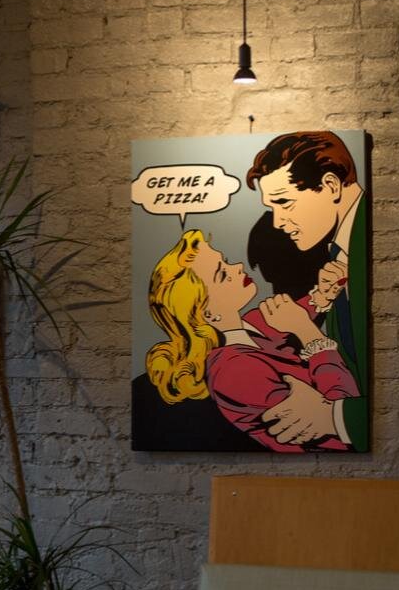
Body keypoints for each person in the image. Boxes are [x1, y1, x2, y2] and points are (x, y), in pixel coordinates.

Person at [145, 230, 357, 453]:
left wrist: (324, 292)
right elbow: (342, 419)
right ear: (207, 313)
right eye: (222, 273)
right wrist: (308, 334)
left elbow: (294, 312)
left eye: (225, 261)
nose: (237, 267)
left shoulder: (250, 324)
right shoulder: (232, 371)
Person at [246, 131, 368, 450]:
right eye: (272, 208)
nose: (279, 222)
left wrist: (331, 416)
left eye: (284, 203)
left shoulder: (370, 243)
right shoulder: (339, 254)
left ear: (330, 185)